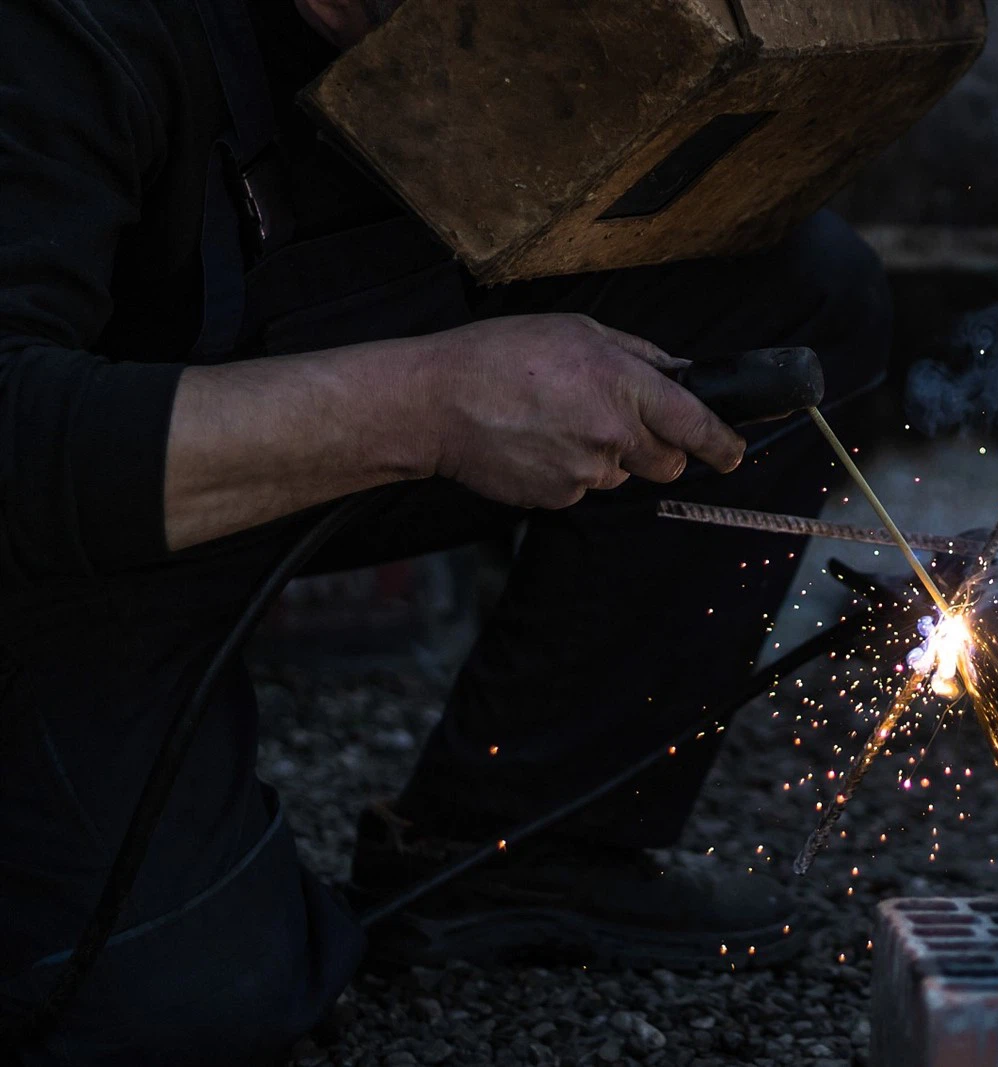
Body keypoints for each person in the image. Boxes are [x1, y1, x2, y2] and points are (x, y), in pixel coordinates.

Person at [0, 0, 890, 1061]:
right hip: (48, 521)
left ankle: (518, 846)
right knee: (178, 995)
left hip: (266, 403)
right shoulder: (65, 37)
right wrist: (427, 402)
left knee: (782, 295)